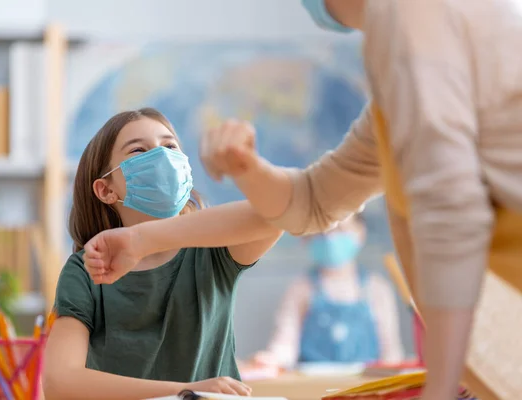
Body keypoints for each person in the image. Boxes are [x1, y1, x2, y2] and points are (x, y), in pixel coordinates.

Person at [198, 1, 522, 399]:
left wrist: (441, 386)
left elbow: (452, 213)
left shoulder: (407, 13)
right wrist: (247, 169)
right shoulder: (400, 82)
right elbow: (314, 202)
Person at [42, 108, 283, 400]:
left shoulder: (211, 251)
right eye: (138, 150)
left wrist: (248, 167)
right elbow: (60, 382)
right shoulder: (86, 270)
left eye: (170, 146)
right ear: (106, 190)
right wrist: (186, 393)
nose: (163, 157)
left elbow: (278, 214)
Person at [245, 215, 404, 370]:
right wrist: (271, 359)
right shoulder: (300, 289)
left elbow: (391, 352)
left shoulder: (377, 289)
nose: (330, 238)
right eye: (321, 232)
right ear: (306, 238)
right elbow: (285, 344)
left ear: (360, 232)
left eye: (340, 229)